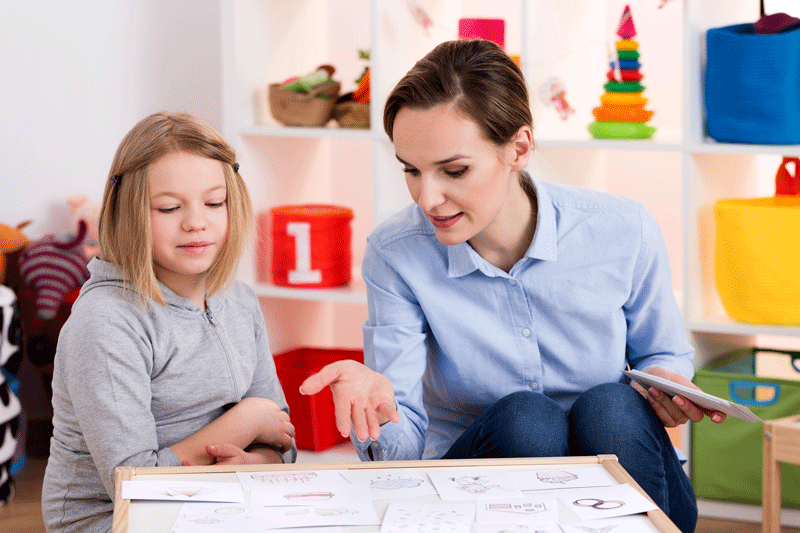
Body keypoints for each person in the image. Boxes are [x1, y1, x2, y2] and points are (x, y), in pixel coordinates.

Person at [300, 39, 724, 533]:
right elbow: (403, 449)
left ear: (518, 148)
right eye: (411, 171)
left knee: (610, 403)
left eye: (453, 170)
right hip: (480, 491)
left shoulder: (621, 230)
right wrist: (375, 411)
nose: (427, 198)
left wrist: (668, 384)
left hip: (625, 472)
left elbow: (663, 356)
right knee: (527, 419)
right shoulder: (397, 254)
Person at [41, 112, 296, 532]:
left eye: (215, 203)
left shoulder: (239, 301)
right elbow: (132, 485)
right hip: (115, 520)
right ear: (129, 212)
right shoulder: (107, 322)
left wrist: (254, 460)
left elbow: (281, 437)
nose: (196, 221)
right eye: (169, 207)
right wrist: (244, 422)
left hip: (217, 501)